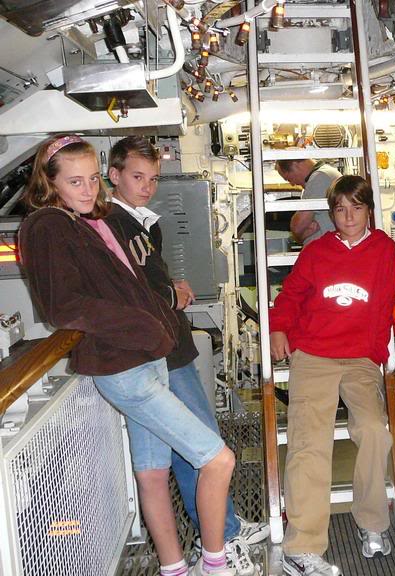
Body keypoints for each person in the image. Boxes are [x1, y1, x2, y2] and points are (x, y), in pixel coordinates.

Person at [19, 134, 237, 576]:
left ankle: (174, 568)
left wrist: (153, 324)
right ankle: (216, 564)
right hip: (125, 366)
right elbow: (63, 307)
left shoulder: (85, 220)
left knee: (152, 473)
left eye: (94, 179)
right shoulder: (46, 226)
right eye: (75, 182)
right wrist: (144, 325)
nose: (89, 190)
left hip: (145, 357)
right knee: (218, 459)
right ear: (50, 182)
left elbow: (131, 286)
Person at [104, 136, 270, 575]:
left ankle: (219, 533)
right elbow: (131, 289)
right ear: (114, 174)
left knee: (186, 448)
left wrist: (170, 289)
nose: (147, 187)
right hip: (159, 352)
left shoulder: (143, 224)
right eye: (137, 177)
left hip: (168, 347)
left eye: (153, 178)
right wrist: (170, 292)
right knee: (202, 447)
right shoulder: (111, 225)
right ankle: (224, 541)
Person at [269, 175, 395, 576]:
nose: (348, 217)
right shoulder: (316, 251)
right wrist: (277, 328)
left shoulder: (384, 249)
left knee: (375, 431)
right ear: (331, 214)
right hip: (313, 354)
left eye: (356, 208)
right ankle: (302, 548)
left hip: (360, 357)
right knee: (310, 443)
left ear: (368, 209)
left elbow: (382, 306)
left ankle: (372, 523)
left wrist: (376, 355)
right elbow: (290, 295)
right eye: (340, 210)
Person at [275, 159, 342, 245]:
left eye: (289, 178)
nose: (292, 184)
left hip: (326, 251)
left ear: (295, 165)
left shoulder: (320, 177)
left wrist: (301, 233)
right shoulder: (322, 175)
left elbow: (297, 227)